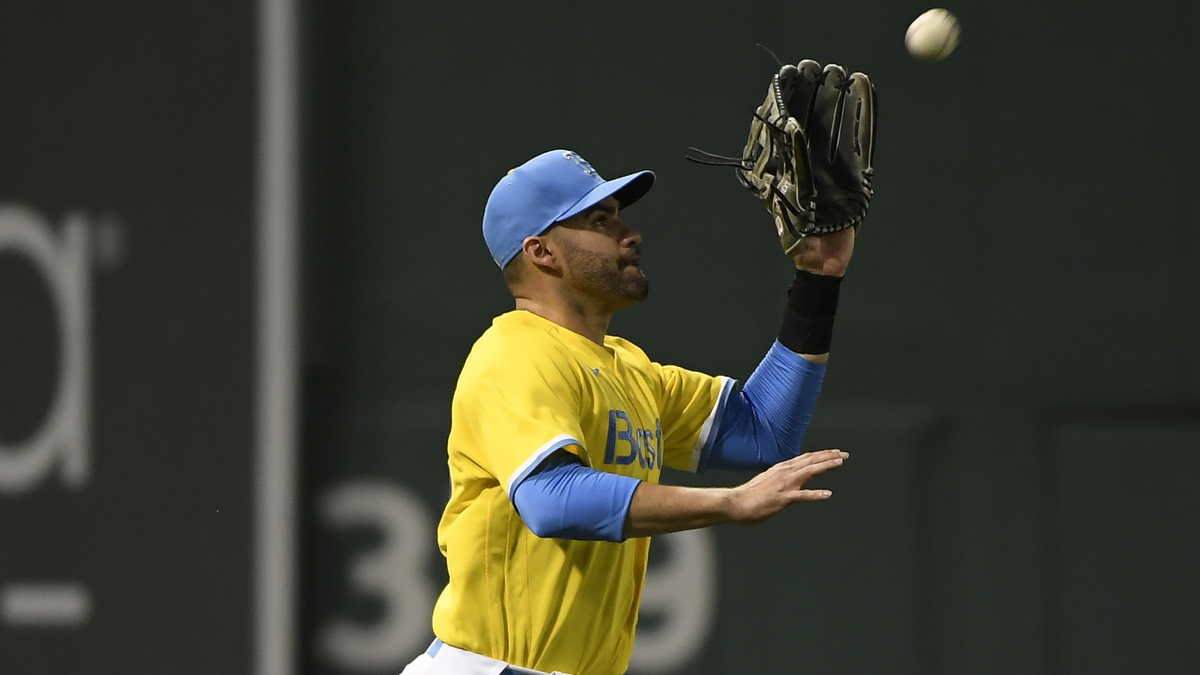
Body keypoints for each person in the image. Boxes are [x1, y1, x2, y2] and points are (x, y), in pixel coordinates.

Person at [402, 149, 855, 675]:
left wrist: (819, 279)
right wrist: (729, 503)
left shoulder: (628, 368)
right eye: (600, 220)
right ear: (542, 252)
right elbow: (551, 500)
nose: (629, 233)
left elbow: (763, 430)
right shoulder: (514, 354)